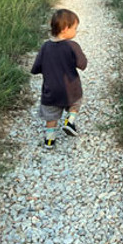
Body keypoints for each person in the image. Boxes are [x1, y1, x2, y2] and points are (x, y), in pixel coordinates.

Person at [31, 9, 88, 149]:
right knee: (75, 102)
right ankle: (70, 121)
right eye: (75, 28)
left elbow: (36, 68)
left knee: (51, 115)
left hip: (51, 90)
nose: (76, 31)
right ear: (65, 29)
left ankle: (49, 140)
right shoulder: (72, 46)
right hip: (71, 88)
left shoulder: (45, 47)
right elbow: (82, 64)